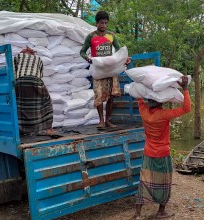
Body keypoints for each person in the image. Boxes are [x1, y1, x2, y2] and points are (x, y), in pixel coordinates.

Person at [132, 76, 191, 219]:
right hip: (162, 153)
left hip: (148, 153)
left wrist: (139, 85)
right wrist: (185, 88)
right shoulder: (164, 115)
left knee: (144, 180)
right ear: (160, 102)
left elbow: (139, 97)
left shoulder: (144, 112)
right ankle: (161, 212)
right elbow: (186, 108)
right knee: (164, 181)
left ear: (149, 102)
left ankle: (138, 213)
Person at [80, 10, 130, 129]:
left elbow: (119, 50)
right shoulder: (91, 37)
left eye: (106, 23)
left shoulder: (111, 36)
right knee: (99, 96)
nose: (104, 26)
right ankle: (101, 121)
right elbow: (82, 51)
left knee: (112, 96)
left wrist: (126, 59)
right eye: (101, 23)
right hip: (98, 70)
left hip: (111, 69)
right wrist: (87, 58)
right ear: (96, 23)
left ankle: (108, 120)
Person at [14, 46, 54, 135]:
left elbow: (13, 72)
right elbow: (40, 74)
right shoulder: (38, 59)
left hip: (20, 82)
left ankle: (20, 130)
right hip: (35, 81)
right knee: (46, 103)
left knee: (20, 105)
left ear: (23, 52)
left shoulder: (18, 56)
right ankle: (48, 129)